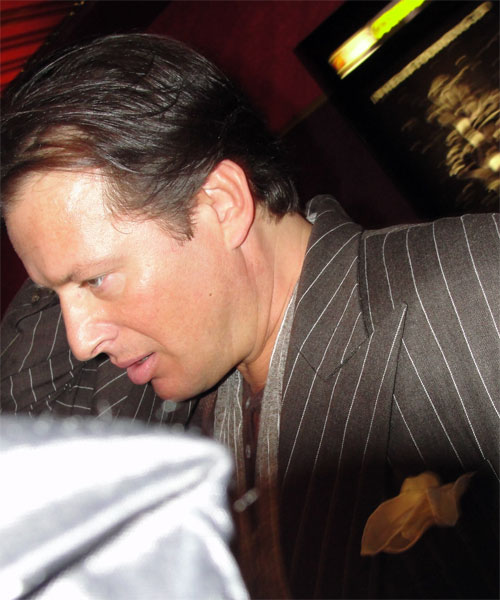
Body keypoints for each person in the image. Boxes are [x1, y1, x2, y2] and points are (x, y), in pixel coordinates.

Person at [1, 33, 498, 599]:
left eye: (95, 280)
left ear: (222, 205)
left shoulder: (477, 289)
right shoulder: (151, 409)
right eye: (54, 294)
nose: (80, 340)